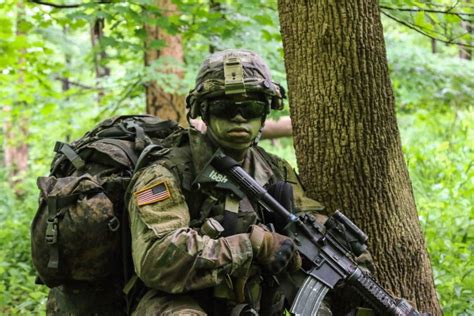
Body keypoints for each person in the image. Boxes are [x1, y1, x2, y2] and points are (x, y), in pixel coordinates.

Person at [126, 49, 340, 315]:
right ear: (203, 111)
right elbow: (155, 259)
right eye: (224, 107)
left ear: (264, 114)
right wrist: (252, 245)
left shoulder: (274, 170)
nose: (239, 117)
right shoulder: (167, 173)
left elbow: (312, 227)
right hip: (181, 301)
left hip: (253, 301)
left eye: (250, 108)